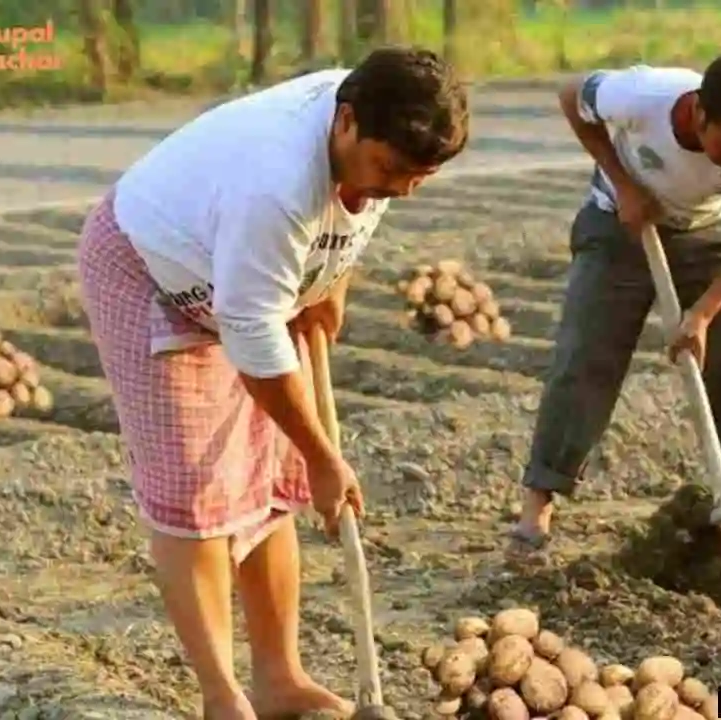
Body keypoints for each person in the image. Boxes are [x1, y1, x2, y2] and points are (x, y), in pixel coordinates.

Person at [77, 47, 469, 720]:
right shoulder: (276, 185)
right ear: (345, 123)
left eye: (420, 177)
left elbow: (347, 215)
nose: (402, 188)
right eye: (393, 170)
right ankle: (221, 697)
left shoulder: (372, 124)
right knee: (195, 494)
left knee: (266, 488)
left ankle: (279, 678)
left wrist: (328, 281)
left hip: (240, 273)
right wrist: (324, 457)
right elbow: (251, 331)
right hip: (152, 272)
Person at [510, 50, 721, 554]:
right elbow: (570, 96)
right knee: (585, 357)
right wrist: (623, 184)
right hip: (619, 224)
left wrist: (704, 313)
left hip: (708, 233)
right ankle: (537, 508)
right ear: (700, 114)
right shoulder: (641, 96)